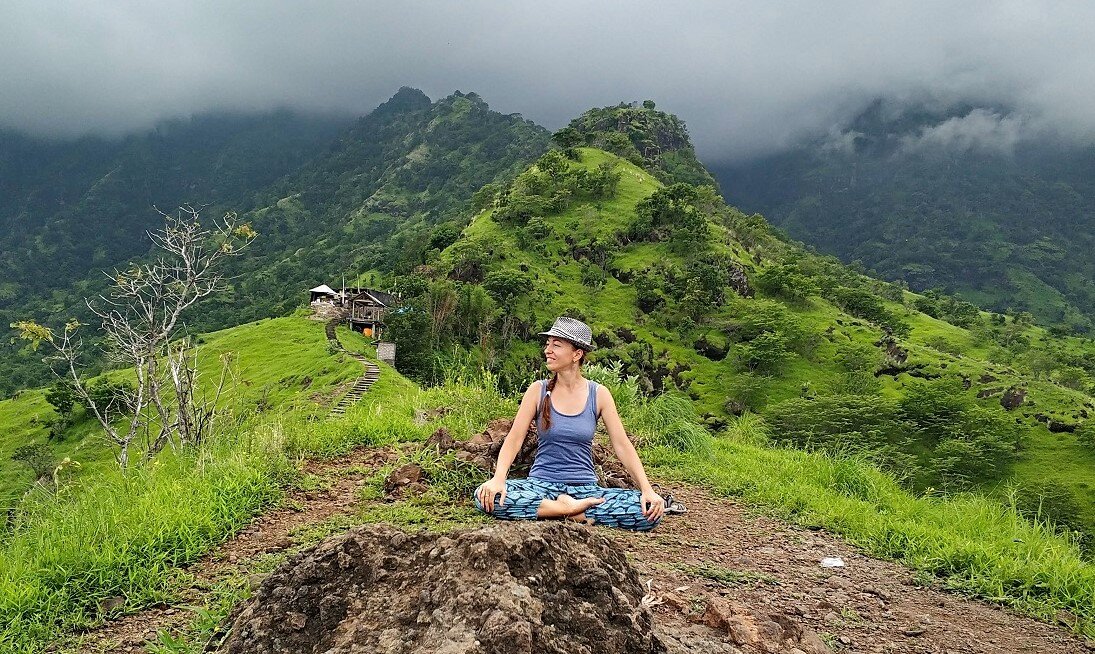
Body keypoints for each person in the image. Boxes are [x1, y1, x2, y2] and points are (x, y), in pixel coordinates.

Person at [473, 316, 665, 531]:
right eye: (548, 344)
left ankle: (554, 511)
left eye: (556, 345)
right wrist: (498, 479)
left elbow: (622, 445)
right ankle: (569, 511)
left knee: (648, 512)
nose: (548, 350)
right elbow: (515, 438)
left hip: (585, 488)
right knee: (483, 495)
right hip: (540, 485)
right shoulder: (538, 390)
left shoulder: (598, 394)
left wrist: (647, 489)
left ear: (577, 354)